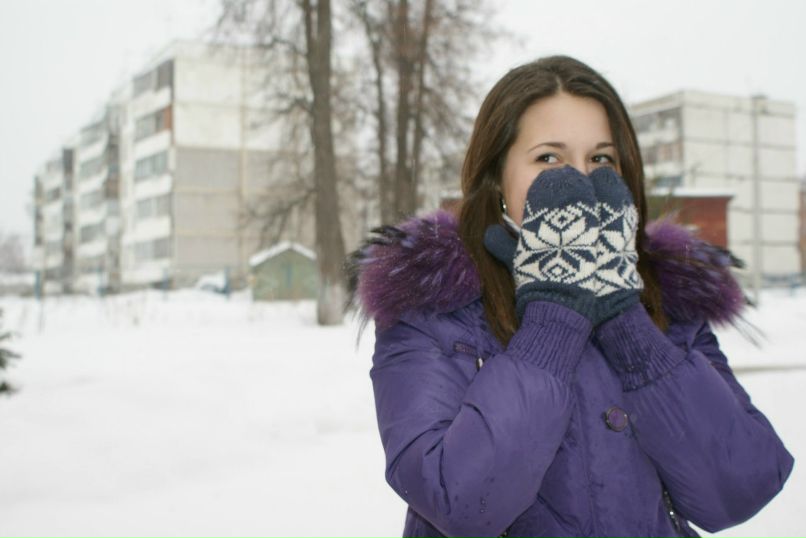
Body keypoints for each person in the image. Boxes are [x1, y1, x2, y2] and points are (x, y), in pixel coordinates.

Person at [348, 55, 794, 538]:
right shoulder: (432, 311)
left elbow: (739, 488)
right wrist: (554, 318)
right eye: (549, 158)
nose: (579, 182)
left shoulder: (670, 306)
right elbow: (460, 502)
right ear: (498, 179)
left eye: (600, 159)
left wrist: (626, 320)